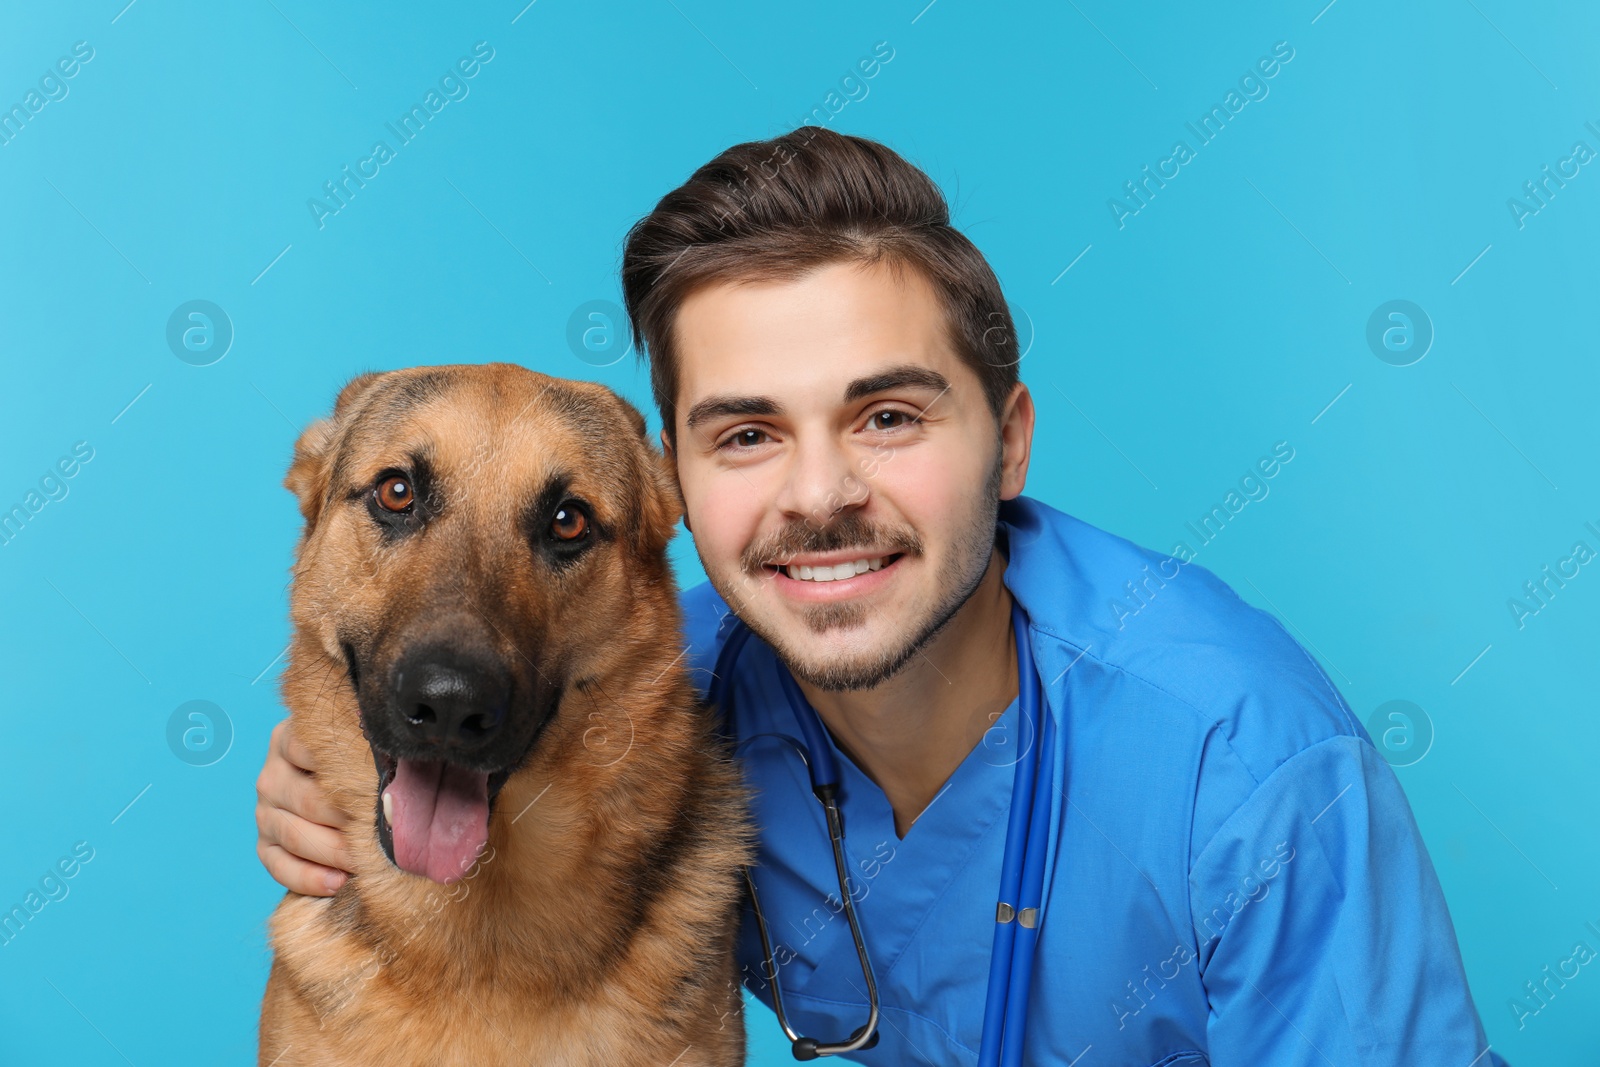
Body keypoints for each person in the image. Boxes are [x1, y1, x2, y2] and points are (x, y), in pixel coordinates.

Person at [256, 128, 1507, 1065]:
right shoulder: (659, 694)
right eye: (746, 434)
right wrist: (327, 773)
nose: (820, 493)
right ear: (681, 493)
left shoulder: (1249, 773)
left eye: (888, 415)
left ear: (1008, 442)